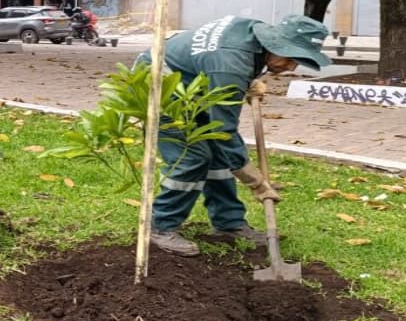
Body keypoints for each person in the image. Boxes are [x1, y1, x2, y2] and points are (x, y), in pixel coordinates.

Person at [137, 14, 332, 256]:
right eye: (291, 57)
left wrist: (246, 81)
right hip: (158, 86)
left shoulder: (253, 32)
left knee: (218, 158)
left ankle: (229, 223)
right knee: (192, 157)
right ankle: (160, 227)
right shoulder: (230, 64)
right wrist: (255, 181)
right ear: (275, 44)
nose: (291, 67)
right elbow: (223, 129)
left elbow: (218, 68)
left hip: (191, 85)